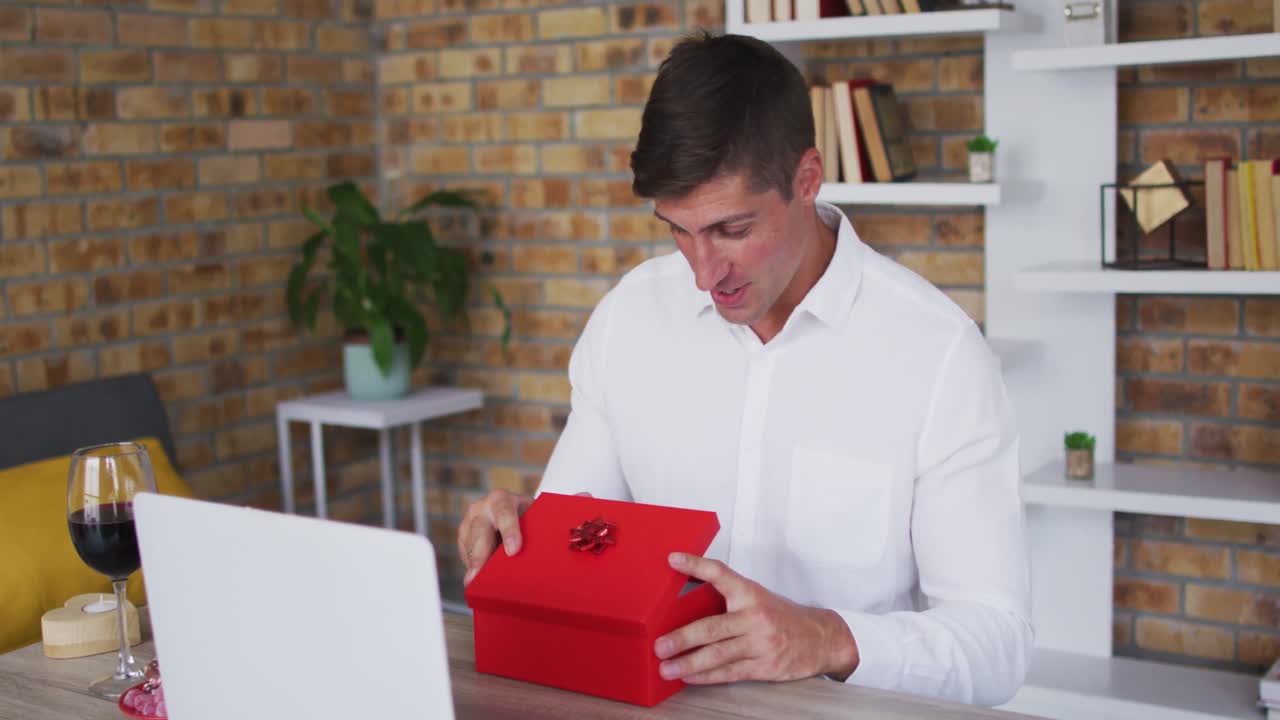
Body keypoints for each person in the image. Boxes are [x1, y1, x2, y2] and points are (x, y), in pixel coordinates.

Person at [457, 29, 1033, 707]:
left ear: (807, 180)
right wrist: (528, 538)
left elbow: (998, 645)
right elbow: (587, 529)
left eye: (732, 230)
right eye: (677, 229)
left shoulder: (938, 355)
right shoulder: (629, 318)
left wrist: (824, 637)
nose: (704, 274)